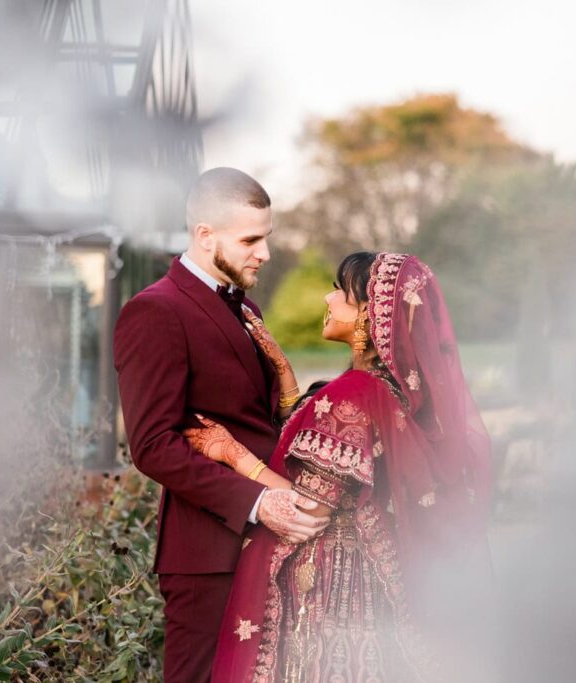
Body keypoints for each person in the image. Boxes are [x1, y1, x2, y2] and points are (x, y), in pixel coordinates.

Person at [184, 251, 492, 682]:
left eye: (340, 292)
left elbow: (309, 509)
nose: (328, 299)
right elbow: (334, 465)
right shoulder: (386, 391)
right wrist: (288, 379)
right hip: (368, 578)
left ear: (368, 315)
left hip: (330, 588)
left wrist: (232, 454)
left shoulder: (355, 394)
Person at [113, 168, 329, 683]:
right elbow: (152, 445)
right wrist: (256, 503)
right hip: (207, 555)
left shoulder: (246, 307)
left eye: (266, 238)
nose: (265, 254)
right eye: (250, 240)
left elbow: (257, 419)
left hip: (267, 543)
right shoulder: (155, 311)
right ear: (205, 235)